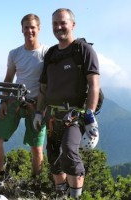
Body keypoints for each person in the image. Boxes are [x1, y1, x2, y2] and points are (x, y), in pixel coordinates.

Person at [33, 8, 100, 199]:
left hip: (75, 115)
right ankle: (61, 195)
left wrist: (90, 115)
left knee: (70, 154)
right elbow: (43, 88)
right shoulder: (52, 54)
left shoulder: (83, 50)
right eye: (55, 24)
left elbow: (94, 84)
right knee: (54, 158)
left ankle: (75, 197)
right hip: (53, 116)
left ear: (73, 24)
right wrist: (39, 112)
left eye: (63, 23)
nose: (59, 27)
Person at [0, 14, 48, 180]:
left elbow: (50, 81)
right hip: (15, 100)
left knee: (37, 148)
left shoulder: (46, 53)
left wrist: (44, 107)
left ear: (39, 29)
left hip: (37, 104)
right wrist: (3, 101)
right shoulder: (15, 53)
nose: (29, 31)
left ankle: (35, 181)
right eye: (26, 27)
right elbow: (8, 79)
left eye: (32, 27)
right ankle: (0, 172)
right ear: (21, 29)